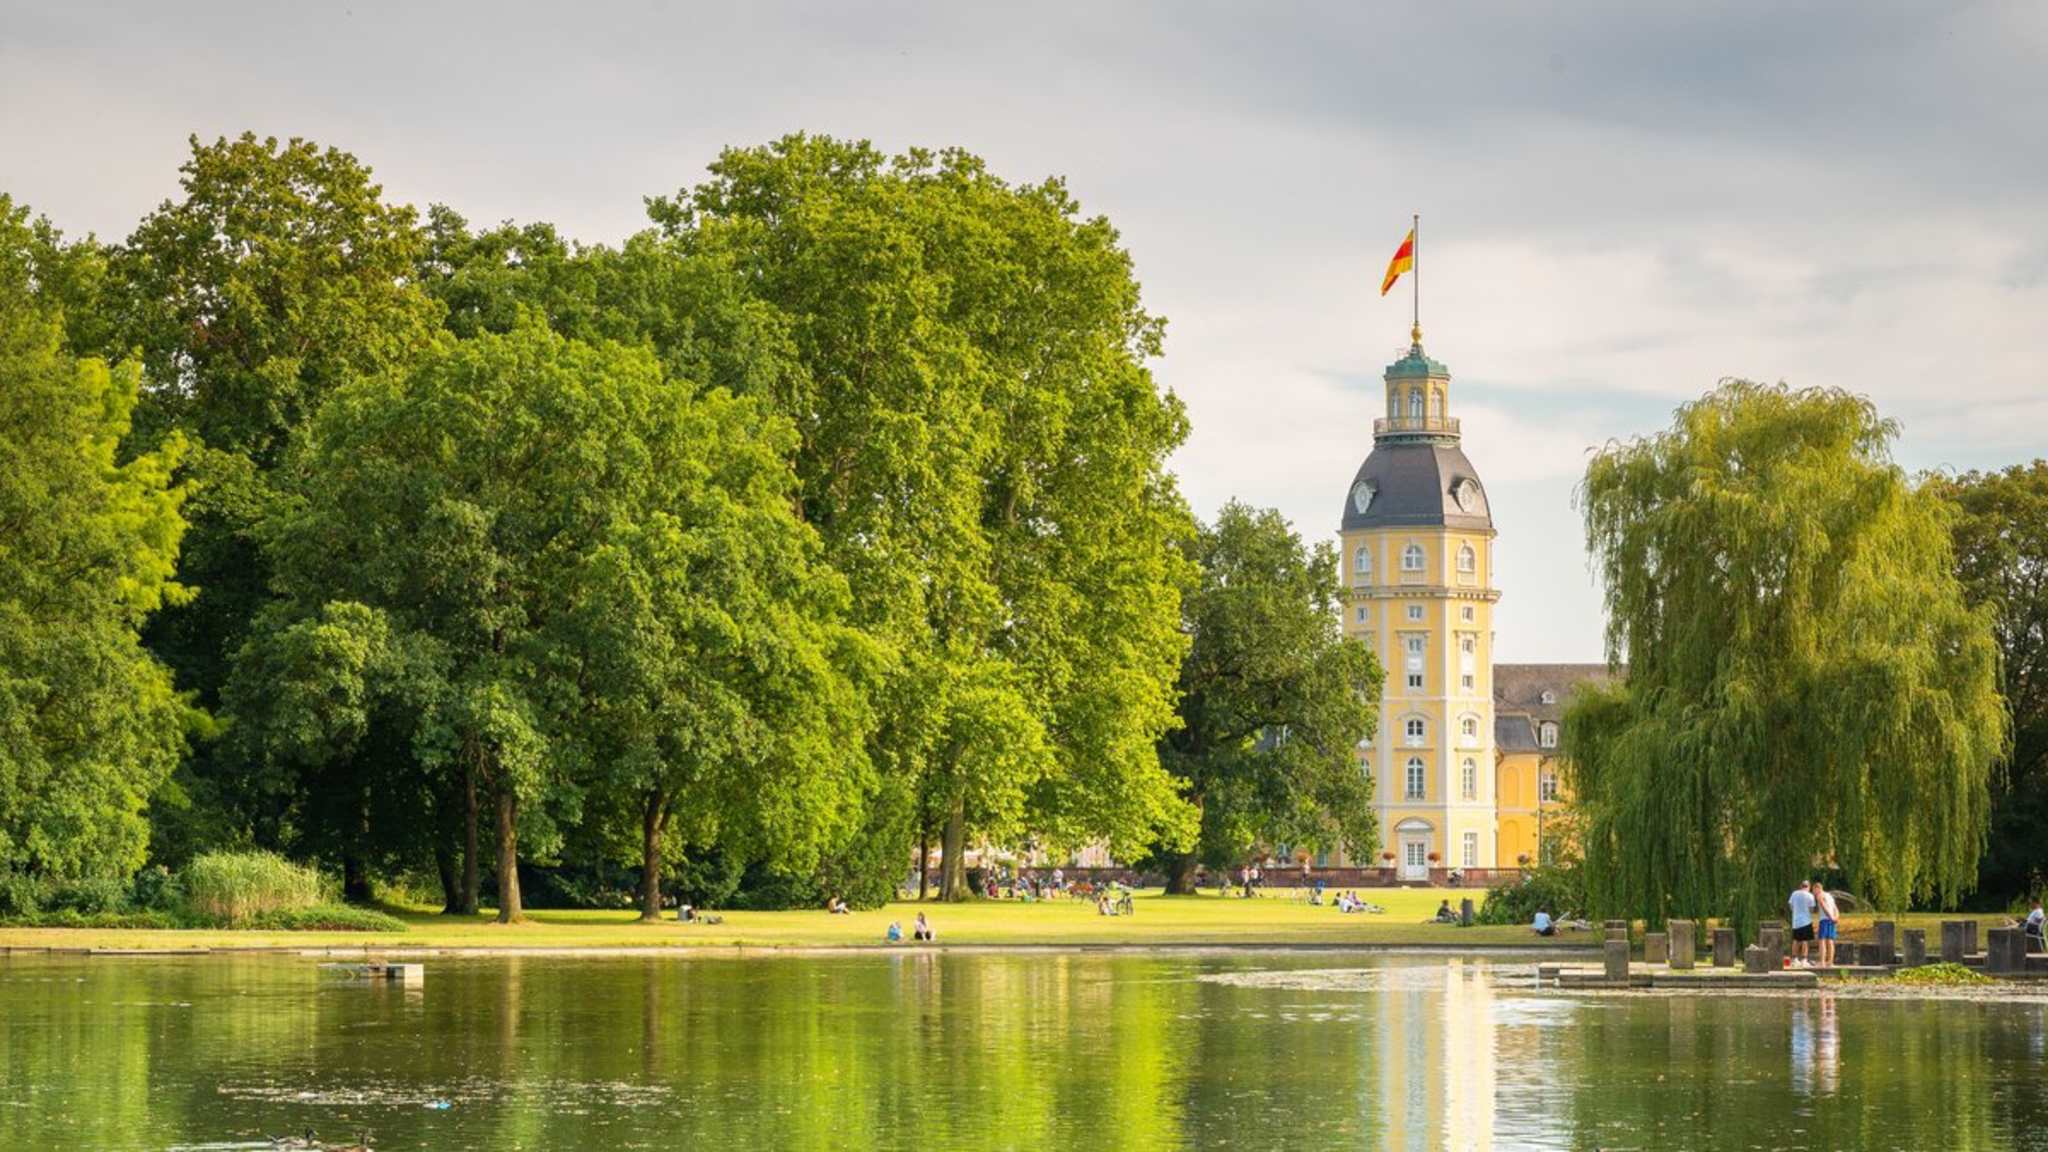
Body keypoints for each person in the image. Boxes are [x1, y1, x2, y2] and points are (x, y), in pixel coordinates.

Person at [1788, 880, 1817, 967]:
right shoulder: (1810, 895)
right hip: (1806, 921)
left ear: (1801, 886)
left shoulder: (1794, 894)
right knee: (1805, 941)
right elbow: (1812, 909)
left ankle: (1794, 959)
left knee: (1796, 940)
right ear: (1809, 887)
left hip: (1796, 921)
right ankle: (1804, 959)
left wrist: (1796, 911)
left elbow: (1791, 906)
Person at [1813, 880, 1840, 968]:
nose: (1814, 893)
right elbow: (1836, 908)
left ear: (1817, 888)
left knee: (1822, 941)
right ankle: (1830, 962)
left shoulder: (1820, 895)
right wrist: (1836, 918)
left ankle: (1822, 962)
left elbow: (1823, 905)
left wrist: (1830, 916)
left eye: (1814, 890)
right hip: (1832, 920)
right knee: (1830, 941)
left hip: (1825, 919)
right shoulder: (1830, 896)